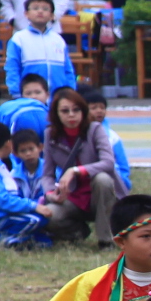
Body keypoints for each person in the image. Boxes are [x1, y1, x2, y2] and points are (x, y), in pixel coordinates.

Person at [44, 86, 126, 243]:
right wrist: (50, 193)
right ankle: (79, 232)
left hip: (101, 195)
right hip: (73, 196)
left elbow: (108, 163)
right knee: (49, 215)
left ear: (83, 111)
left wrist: (75, 170)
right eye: (65, 111)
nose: (71, 115)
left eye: (76, 110)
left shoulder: (95, 129)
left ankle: (106, 240)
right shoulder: (50, 134)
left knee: (102, 179)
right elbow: (47, 174)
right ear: (56, 114)